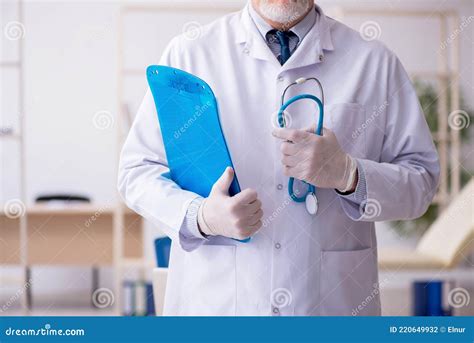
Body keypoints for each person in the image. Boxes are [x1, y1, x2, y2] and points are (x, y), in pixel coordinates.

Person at [118, 0, 439, 316]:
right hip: (218, 304)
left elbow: (422, 181)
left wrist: (348, 173)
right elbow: (137, 170)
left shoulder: (374, 62)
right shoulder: (189, 54)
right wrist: (200, 216)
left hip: (329, 306)